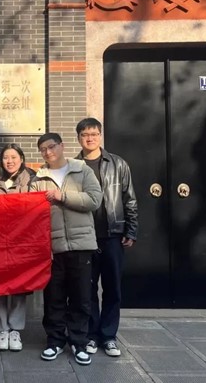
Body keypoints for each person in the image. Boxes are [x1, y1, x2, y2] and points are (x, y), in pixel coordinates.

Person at [29, 133, 102, 366]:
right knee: (54, 297)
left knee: (81, 297)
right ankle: (55, 341)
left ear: (61, 146)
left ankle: (79, 342)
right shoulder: (38, 178)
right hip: (52, 248)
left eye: (51, 147)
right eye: (43, 149)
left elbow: (94, 200)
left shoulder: (82, 170)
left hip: (82, 245)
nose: (48, 152)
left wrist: (63, 196)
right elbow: (32, 213)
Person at [75, 118, 138, 357]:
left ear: (100, 135)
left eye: (94, 134)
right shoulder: (74, 166)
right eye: (85, 134)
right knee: (87, 289)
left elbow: (129, 199)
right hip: (85, 236)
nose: (89, 138)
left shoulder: (118, 164)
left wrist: (131, 230)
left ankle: (109, 336)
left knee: (112, 288)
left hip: (112, 236)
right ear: (79, 138)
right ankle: (91, 335)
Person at [0, 143, 35, 352]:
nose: (10, 161)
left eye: (14, 157)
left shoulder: (32, 180)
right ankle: (2, 329)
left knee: (19, 285)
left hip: (22, 240)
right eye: (6, 157)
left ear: (21, 159)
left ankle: (15, 330)